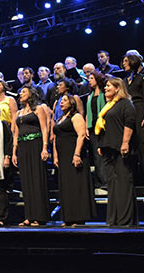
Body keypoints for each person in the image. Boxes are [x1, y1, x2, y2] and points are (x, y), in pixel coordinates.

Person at [95, 78, 137, 226]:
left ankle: (125, 220)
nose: (105, 88)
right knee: (112, 185)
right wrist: (101, 145)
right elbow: (105, 127)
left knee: (124, 184)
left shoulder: (125, 104)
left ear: (118, 88)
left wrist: (125, 142)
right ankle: (113, 219)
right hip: (108, 150)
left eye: (108, 86)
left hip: (120, 149)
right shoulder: (108, 106)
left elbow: (129, 123)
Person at [53, 95, 96, 226]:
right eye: (61, 101)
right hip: (63, 156)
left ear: (71, 103)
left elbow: (81, 135)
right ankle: (68, 217)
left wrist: (77, 154)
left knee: (76, 185)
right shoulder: (61, 119)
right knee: (66, 186)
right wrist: (55, 156)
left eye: (65, 101)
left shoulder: (76, 117)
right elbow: (56, 138)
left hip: (73, 154)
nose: (62, 103)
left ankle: (79, 217)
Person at [13, 86, 50, 226]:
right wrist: (14, 152)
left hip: (35, 144)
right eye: (20, 92)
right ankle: (29, 215)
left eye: (23, 92)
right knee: (26, 180)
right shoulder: (19, 112)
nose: (20, 94)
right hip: (23, 147)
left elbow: (44, 127)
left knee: (36, 179)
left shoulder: (38, 109)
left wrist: (45, 147)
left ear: (30, 94)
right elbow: (16, 133)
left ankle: (39, 216)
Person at [122, 54, 144, 185]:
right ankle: (138, 179)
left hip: (140, 110)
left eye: (126, 61)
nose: (124, 63)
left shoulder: (142, 79)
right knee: (132, 147)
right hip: (128, 112)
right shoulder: (125, 81)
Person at [84, 71, 108, 186]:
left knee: (104, 152)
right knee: (96, 154)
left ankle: (107, 179)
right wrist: (86, 127)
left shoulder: (104, 93)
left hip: (103, 126)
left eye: (91, 78)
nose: (89, 80)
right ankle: (100, 180)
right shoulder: (90, 95)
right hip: (92, 127)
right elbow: (88, 113)